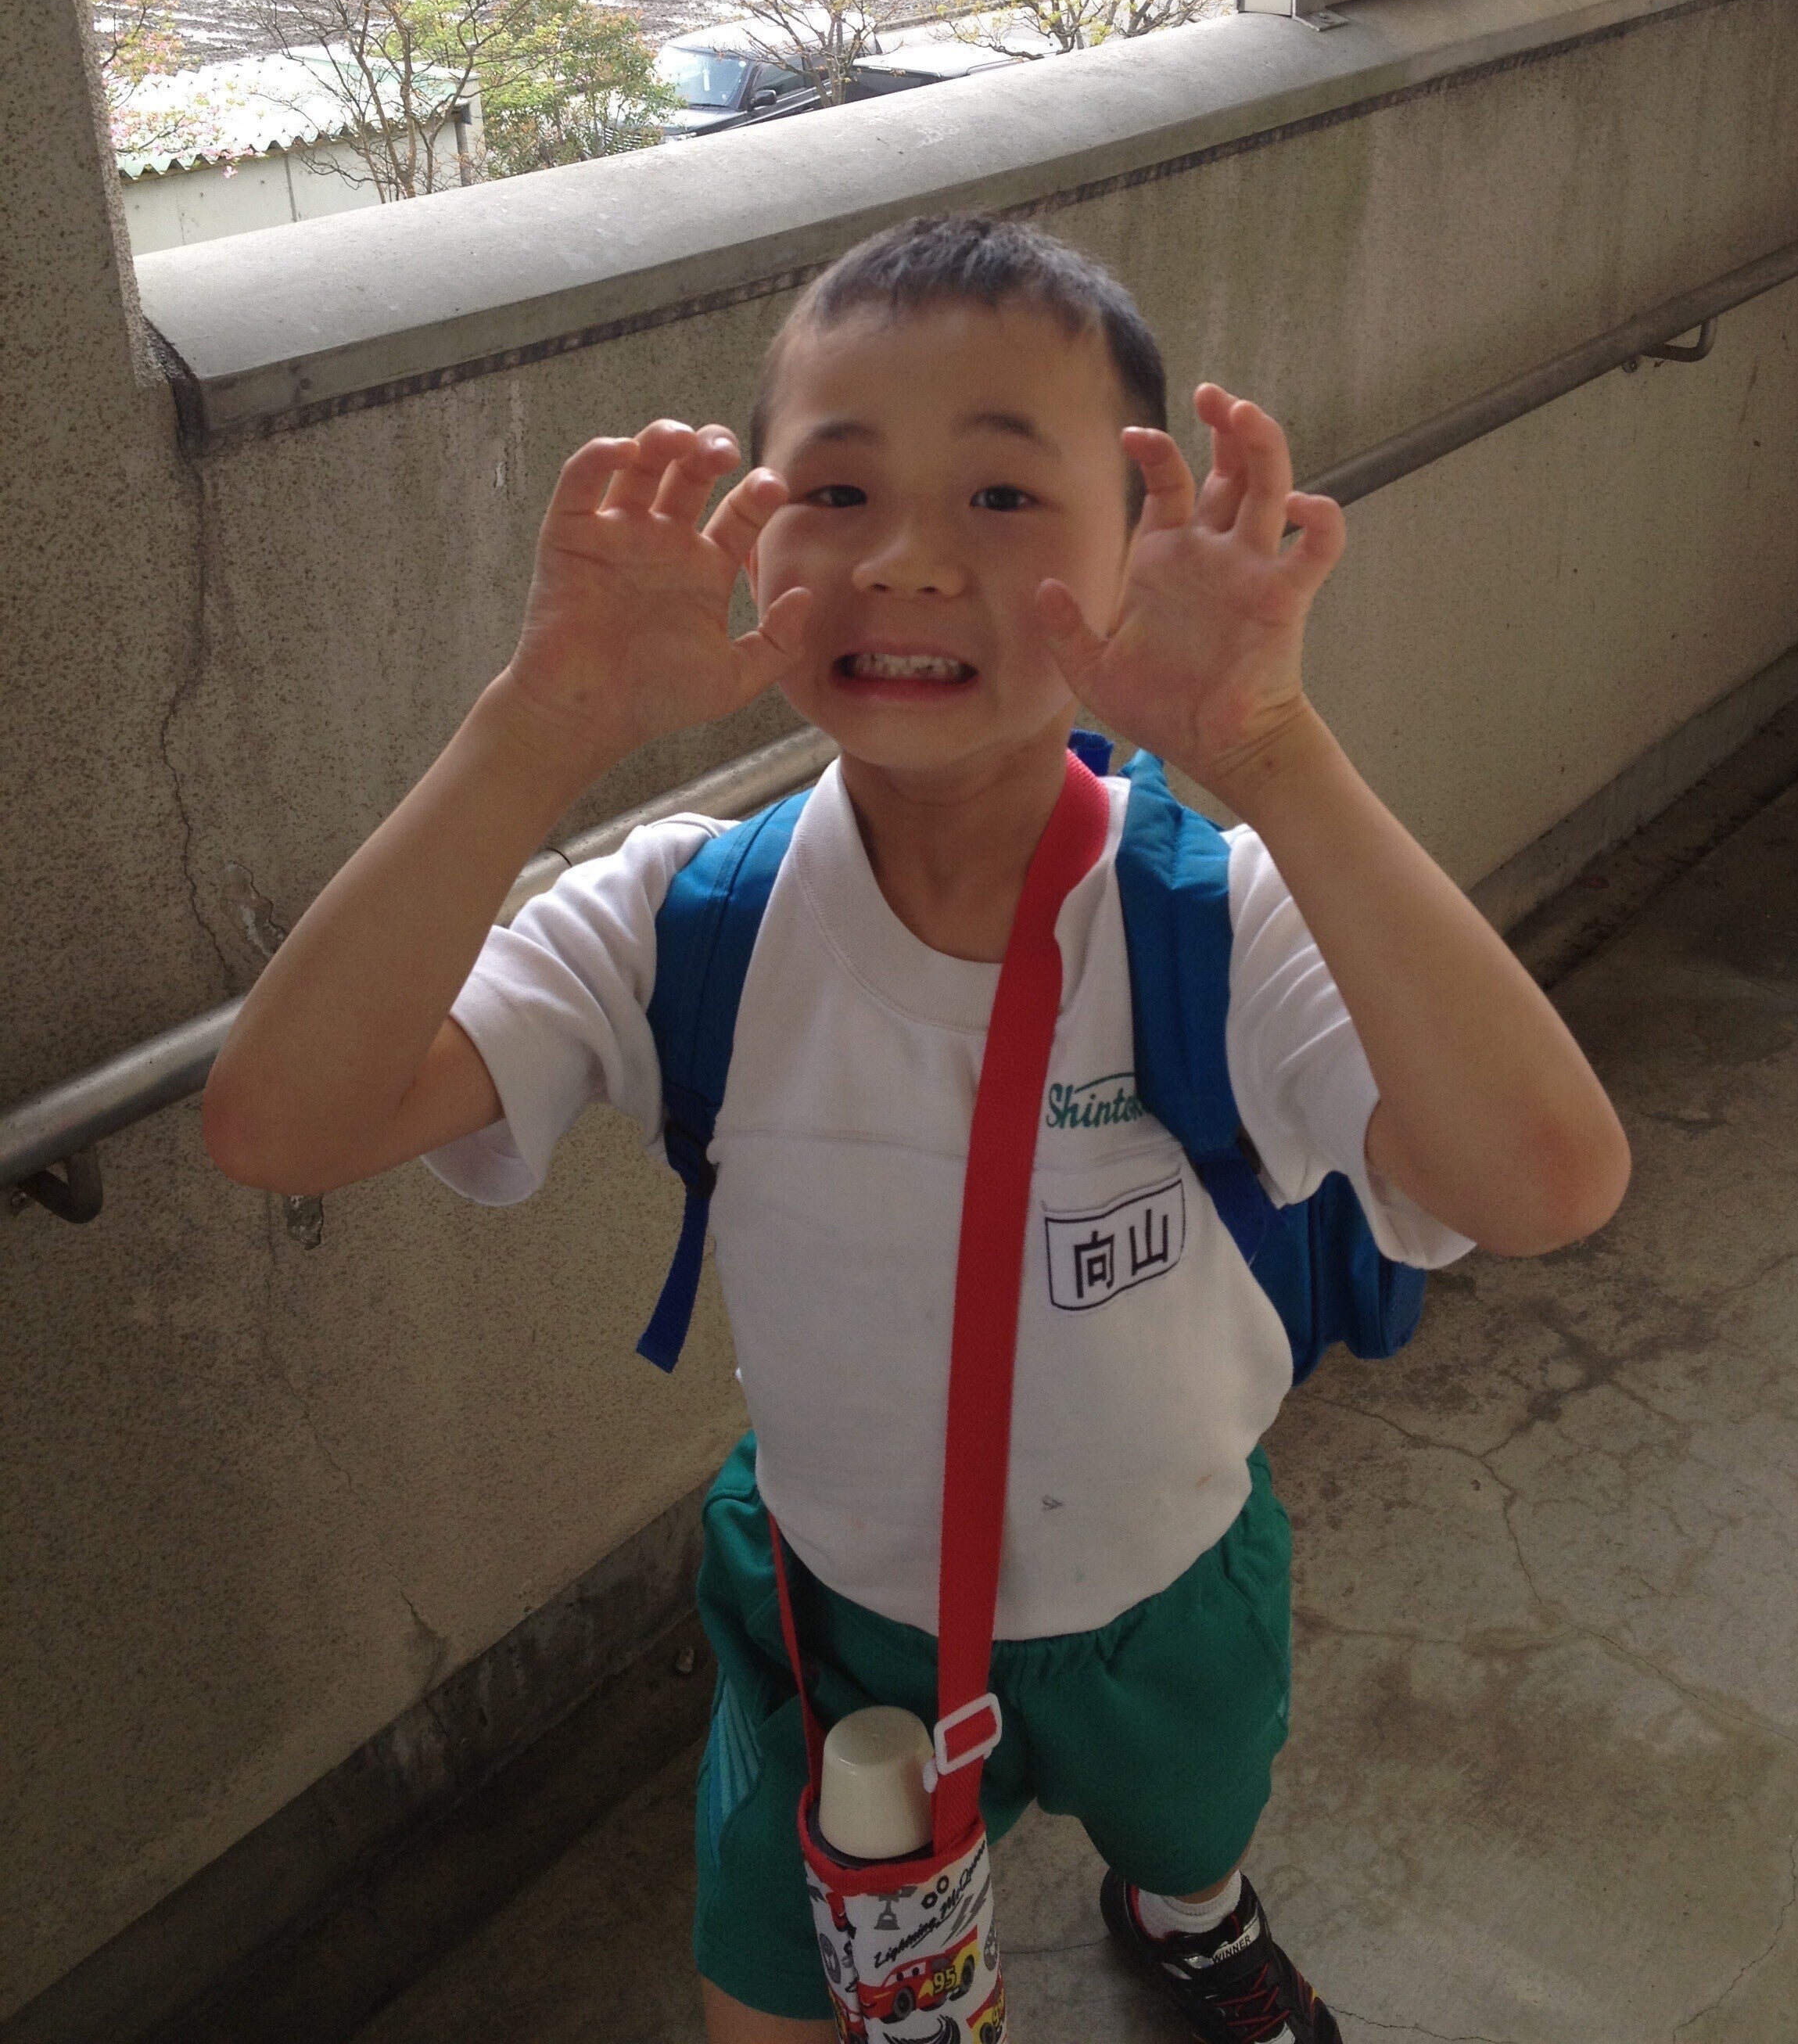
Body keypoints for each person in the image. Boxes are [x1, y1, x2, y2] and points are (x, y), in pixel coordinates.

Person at [205, 215, 1629, 2044]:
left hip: (1167, 1591)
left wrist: (1274, 751)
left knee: (1191, 1822)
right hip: (828, 1626)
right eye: (838, 489)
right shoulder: (683, 921)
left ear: (1138, 545)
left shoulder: (1217, 921)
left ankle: (1189, 1906)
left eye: (1005, 497)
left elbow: (1548, 1180)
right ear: (755, 538)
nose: (907, 561)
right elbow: (283, 1123)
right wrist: (542, 723)